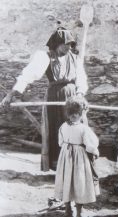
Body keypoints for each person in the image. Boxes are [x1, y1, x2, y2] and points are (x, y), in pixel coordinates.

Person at [1, 27, 88, 170]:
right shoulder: (46, 57)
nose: (68, 47)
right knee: (57, 130)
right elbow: (28, 75)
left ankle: (76, 167)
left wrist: (80, 94)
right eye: (65, 44)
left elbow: (82, 79)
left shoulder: (75, 58)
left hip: (73, 99)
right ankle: (59, 166)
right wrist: (11, 94)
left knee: (76, 129)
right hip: (54, 98)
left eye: (70, 45)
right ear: (56, 44)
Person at [54, 96, 99, 217]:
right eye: (71, 113)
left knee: (70, 180)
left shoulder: (64, 126)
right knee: (77, 181)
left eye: (77, 113)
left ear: (81, 113)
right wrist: (95, 152)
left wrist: (68, 148)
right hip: (78, 157)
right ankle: (73, 210)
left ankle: (74, 210)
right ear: (68, 113)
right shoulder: (83, 128)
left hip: (67, 155)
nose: (74, 115)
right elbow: (90, 145)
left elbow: (60, 142)